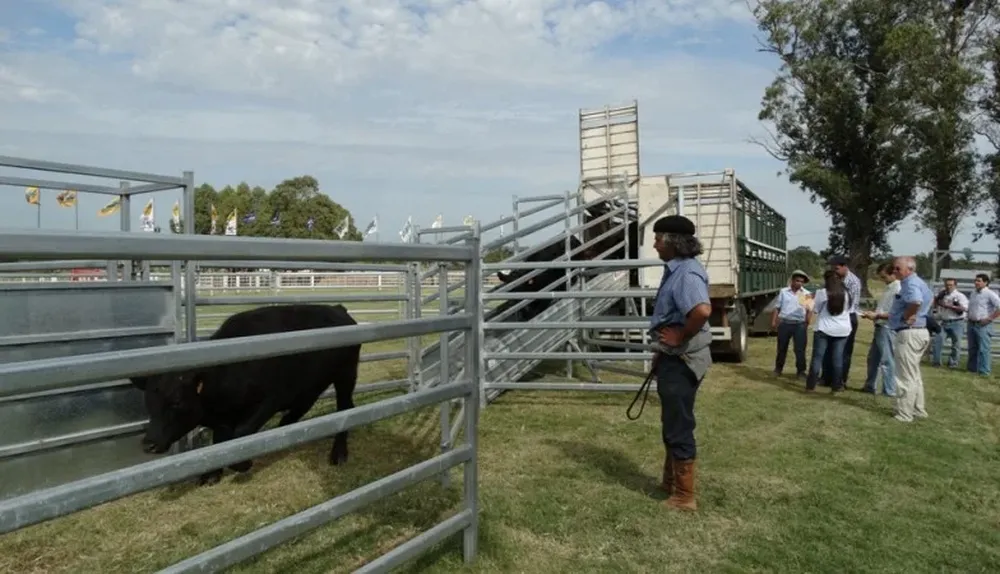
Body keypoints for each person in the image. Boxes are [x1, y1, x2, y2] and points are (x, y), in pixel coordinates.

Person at [648, 214, 713, 512]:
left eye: (658, 238)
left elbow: (701, 310)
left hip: (683, 358)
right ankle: (671, 482)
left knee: (678, 423)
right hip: (674, 357)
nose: (654, 244)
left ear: (673, 242)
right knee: (672, 419)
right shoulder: (677, 269)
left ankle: (685, 496)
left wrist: (679, 336)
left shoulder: (686, 273)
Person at [887, 256, 932, 423]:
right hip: (920, 331)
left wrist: (909, 315)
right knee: (914, 375)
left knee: (905, 376)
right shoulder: (919, 282)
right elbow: (928, 299)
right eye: (894, 268)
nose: (895, 271)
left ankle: (904, 413)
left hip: (909, 332)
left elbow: (915, 301)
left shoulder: (911, 283)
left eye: (898, 268)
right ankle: (918, 409)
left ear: (910, 269)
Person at [805, 270, 853, 393]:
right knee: (837, 359)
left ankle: (810, 386)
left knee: (817, 358)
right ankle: (836, 386)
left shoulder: (823, 293)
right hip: (842, 329)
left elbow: (815, 309)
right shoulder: (847, 293)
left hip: (824, 328)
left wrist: (807, 300)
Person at [861, 263, 899, 396]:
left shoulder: (897, 289)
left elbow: (895, 313)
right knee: (873, 358)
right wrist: (873, 313)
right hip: (880, 325)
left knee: (887, 359)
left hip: (887, 327)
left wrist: (877, 315)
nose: (883, 280)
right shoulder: (889, 288)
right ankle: (870, 385)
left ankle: (889, 389)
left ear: (892, 273)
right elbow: (883, 307)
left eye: (884, 277)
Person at [826, 256, 862, 388]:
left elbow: (851, 304)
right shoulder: (835, 279)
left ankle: (841, 379)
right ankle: (828, 377)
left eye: (836, 268)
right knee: (830, 349)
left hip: (847, 316)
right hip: (835, 316)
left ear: (844, 266)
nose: (834, 271)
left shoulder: (853, 282)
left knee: (844, 351)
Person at [771, 270, 812, 378]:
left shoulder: (806, 294)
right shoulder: (784, 292)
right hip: (785, 323)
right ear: (792, 281)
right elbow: (777, 307)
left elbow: (809, 310)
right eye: (797, 281)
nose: (799, 283)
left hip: (799, 324)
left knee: (799, 349)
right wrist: (774, 321)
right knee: (781, 348)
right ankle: (778, 369)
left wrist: (807, 322)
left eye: (802, 282)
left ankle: (801, 372)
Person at [965, 273, 1000, 376]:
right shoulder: (973, 293)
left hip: (983, 325)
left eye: (979, 281)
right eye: (975, 280)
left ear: (985, 282)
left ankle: (984, 371)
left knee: (984, 349)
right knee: (972, 348)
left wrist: (989, 318)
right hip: (971, 323)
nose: (976, 282)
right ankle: (972, 369)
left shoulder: (990, 294)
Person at [929, 278, 968, 369]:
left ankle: (953, 363)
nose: (948, 287)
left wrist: (949, 306)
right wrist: (937, 301)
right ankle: (936, 362)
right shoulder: (943, 295)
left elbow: (963, 309)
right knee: (938, 340)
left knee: (956, 344)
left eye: (951, 285)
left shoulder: (960, 296)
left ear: (955, 285)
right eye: (947, 285)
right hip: (944, 321)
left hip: (957, 321)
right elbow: (935, 305)